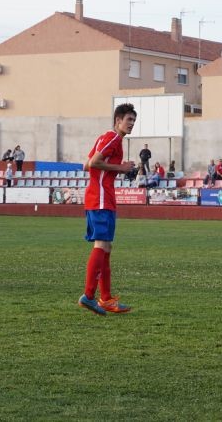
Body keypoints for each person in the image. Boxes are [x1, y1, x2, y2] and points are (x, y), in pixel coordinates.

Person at [78, 103, 137, 315]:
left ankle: (106, 298)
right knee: (101, 245)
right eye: (128, 120)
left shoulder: (105, 138)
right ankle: (89, 296)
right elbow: (94, 163)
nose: (131, 124)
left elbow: (86, 165)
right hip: (101, 198)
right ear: (117, 120)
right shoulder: (113, 138)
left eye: (133, 121)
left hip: (99, 197)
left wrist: (116, 170)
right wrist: (120, 168)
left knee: (106, 247)